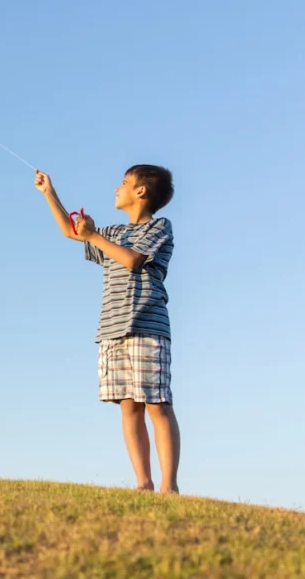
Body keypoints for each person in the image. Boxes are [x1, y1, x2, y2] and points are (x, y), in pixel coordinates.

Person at [35, 165, 181, 494]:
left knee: (157, 404)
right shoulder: (113, 232)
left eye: (124, 183)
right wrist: (50, 193)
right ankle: (143, 482)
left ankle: (169, 486)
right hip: (112, 329)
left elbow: (133, 261)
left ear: (141, 192)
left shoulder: (159, 227)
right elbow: (72, 233)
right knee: (128, 406)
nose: (117, 188)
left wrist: (94, 236)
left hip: (147, 326)